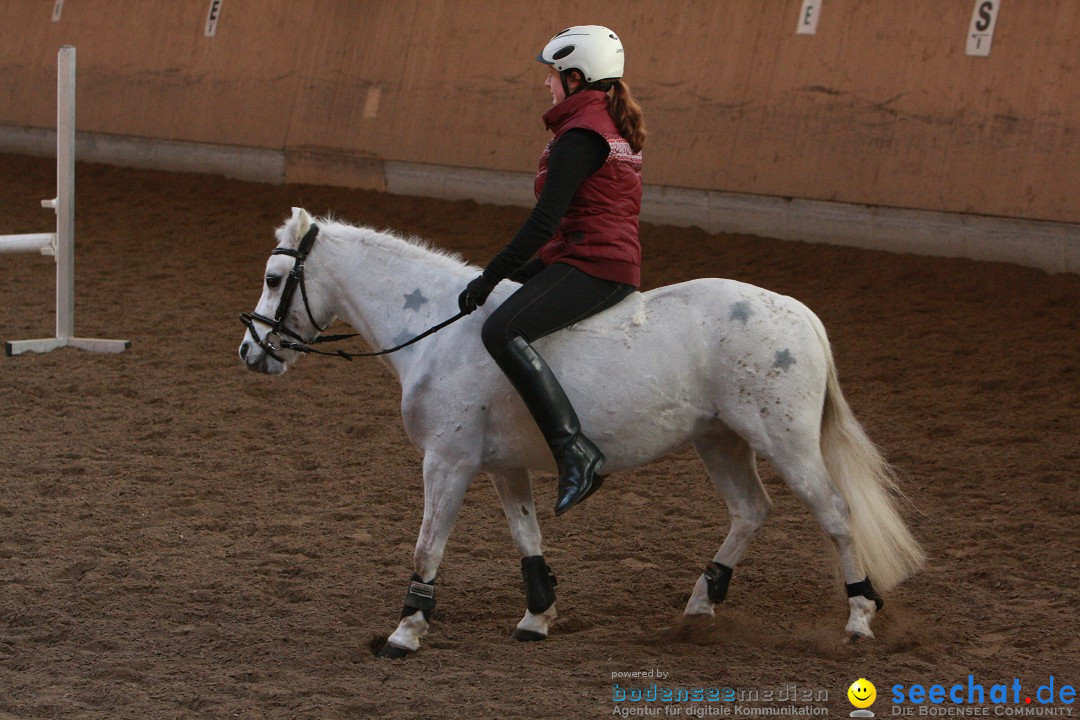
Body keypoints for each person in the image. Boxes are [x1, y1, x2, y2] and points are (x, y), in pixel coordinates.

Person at [457, 25, 647, 516]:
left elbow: (544, 219)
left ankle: (574, 452)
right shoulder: (603, 121)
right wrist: (524, 270)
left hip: (595, 263)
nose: (547, 83)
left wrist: (491, 275)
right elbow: (582, 216)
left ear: (576, 78)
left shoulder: (580, 136)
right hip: (591, 252)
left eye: (553, 74)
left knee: (502, 328)